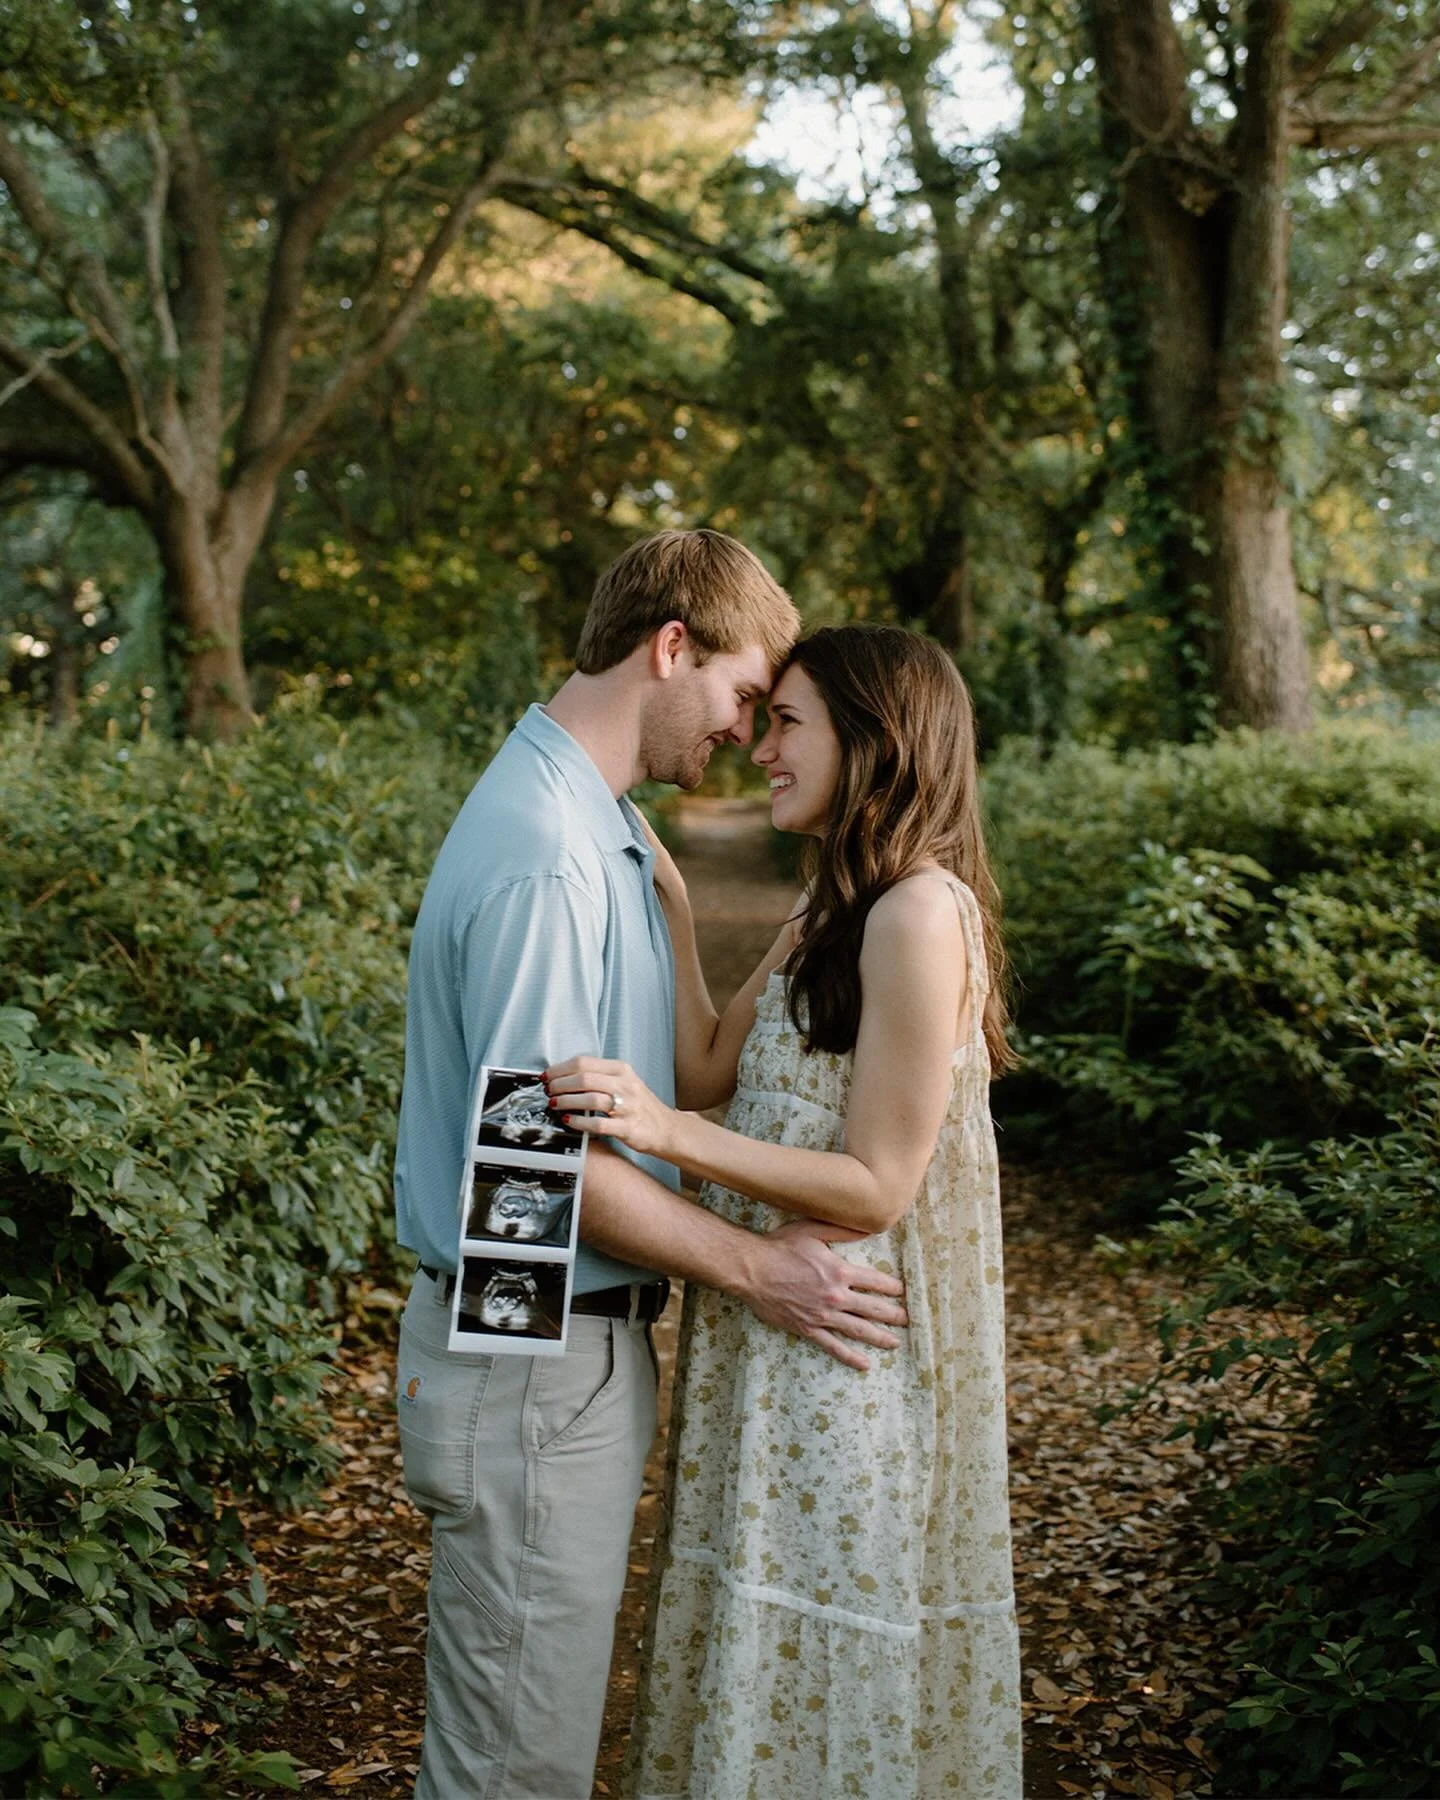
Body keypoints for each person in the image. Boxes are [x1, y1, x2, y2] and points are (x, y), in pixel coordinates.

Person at [392, 534, 907, 1800]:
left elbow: (667, 1079)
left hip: (556, 1364)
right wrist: (759, 1271)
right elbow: (525, 1182)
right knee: (513, 1772)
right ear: (671, 647)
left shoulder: (600, 832)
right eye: (743, 695)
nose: (746, 731)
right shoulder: (547, 859)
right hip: (528, 1361)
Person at [547, 624, 1023, 1798]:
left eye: (789, 721)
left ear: (876, 741)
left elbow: (878, 1184)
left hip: (843, 1359)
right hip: (771, 1352)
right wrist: (664, 899)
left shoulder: (918, 913)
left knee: (814, 1662)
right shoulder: (833, 907)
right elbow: (710, 1063)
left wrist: (664, 1136)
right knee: (753, 1668)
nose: (761, 746)